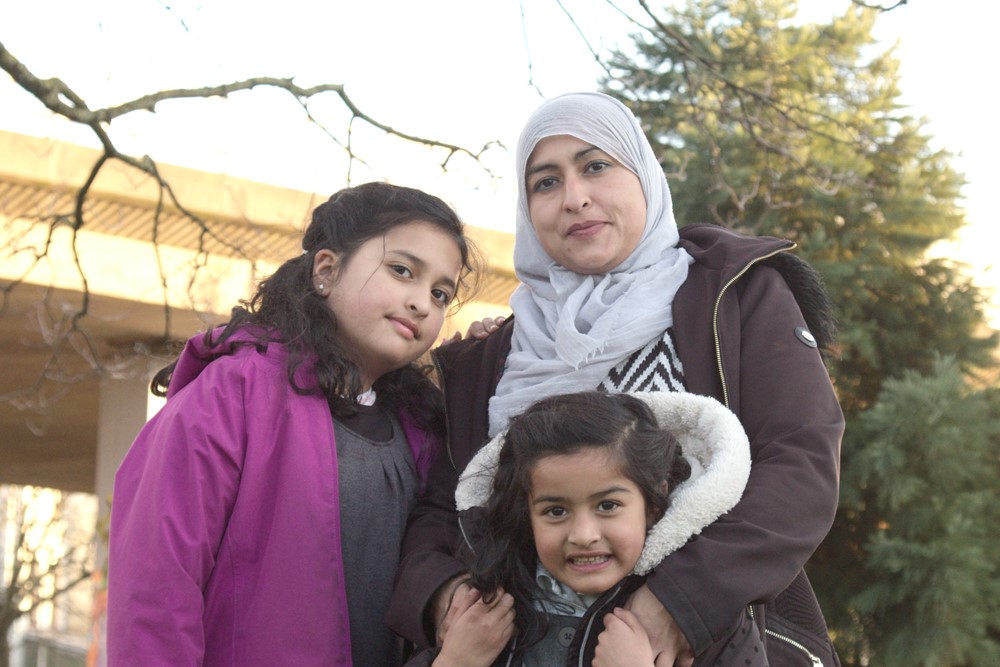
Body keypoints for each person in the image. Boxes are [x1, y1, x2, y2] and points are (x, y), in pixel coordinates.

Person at [387, 92, 845, 666]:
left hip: (703, 645)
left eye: (596, 166)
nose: (575, 198)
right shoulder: (492, 356)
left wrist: (680, 605)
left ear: (644, 176)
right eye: (545, 182)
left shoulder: (734, 296)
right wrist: (444, 595)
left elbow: (800, 463)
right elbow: (444, 502)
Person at [107, 181, 478, 667]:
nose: (422, 303)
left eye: (440, 293)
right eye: (402, 270)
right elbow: (154, 589)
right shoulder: (234, 392)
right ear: (327, 270)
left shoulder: (423, 431)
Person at [405, 390, 754, 667]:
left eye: (607, 506)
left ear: (654, 501)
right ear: (526, 512)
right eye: (555, 511)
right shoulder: (485, 607)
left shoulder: (699, 622)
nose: (583, 535)